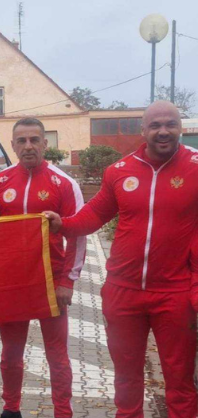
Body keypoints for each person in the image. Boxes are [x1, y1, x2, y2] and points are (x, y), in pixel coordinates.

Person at [45, 101, 198, 418]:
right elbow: (95, 214)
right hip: (123, 292)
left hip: (175, 292)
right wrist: (63, 224)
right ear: (143, 130)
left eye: (170, 124)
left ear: (180, 128)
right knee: (126, 380)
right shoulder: (119, 171)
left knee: (180, 382)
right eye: (155, 125)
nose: (163, 131)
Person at [0, 118, 85, 418]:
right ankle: (11, 409)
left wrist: (68, 281)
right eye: (22, 141)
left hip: (50, 283)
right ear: (13, 145)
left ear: (45, 144)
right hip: (11, 284)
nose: (28, 146)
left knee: (57, 355)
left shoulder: (63, 183)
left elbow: (77, 234)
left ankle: (62, 412)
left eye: (34, 140)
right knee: (11, 353)